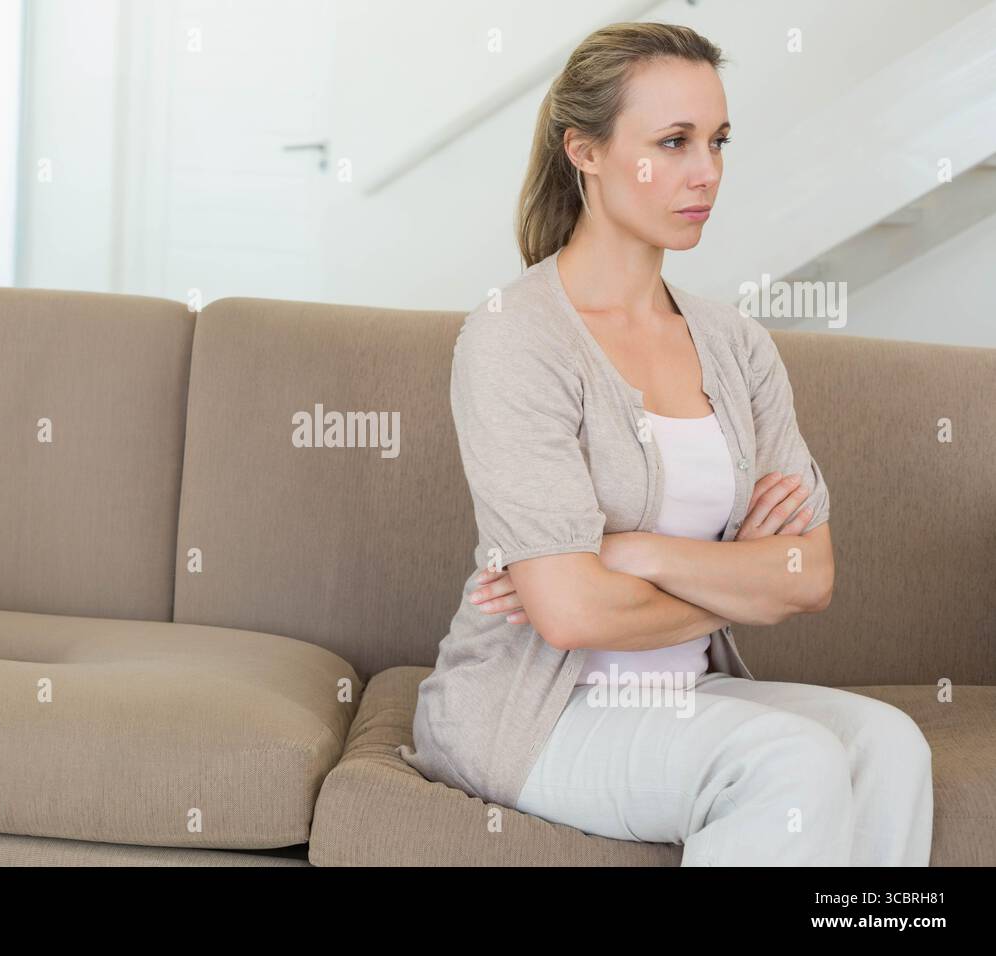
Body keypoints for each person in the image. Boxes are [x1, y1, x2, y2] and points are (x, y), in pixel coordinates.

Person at [396, 21, 932, 866]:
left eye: (717, 141)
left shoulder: (737, 344)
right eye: (673, 143)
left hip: (685, 690)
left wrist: (630, 550)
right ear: (587, 151)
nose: (706, 173)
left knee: (892, 743)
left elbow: (810, 574)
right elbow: (570, 615)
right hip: (535, 714)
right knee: (790, 760)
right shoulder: (515, 338)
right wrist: (743, 582)